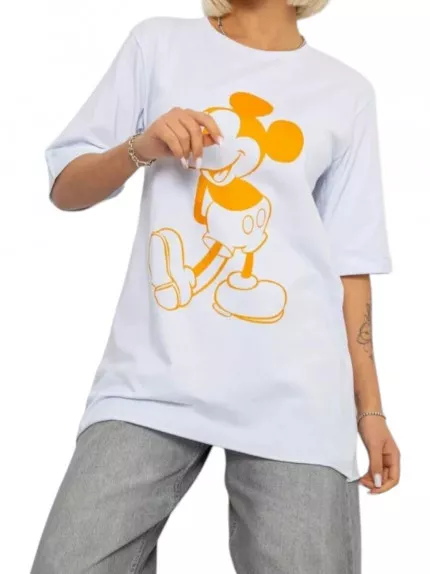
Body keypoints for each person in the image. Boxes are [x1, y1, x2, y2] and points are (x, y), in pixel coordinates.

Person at [31, 1, 401, 572]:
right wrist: (141, 147)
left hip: (297, 397)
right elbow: (65, 186)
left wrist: (370, 412)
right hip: (153, 378)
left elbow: (350, 265)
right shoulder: (158, 44)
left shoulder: (346, 92)